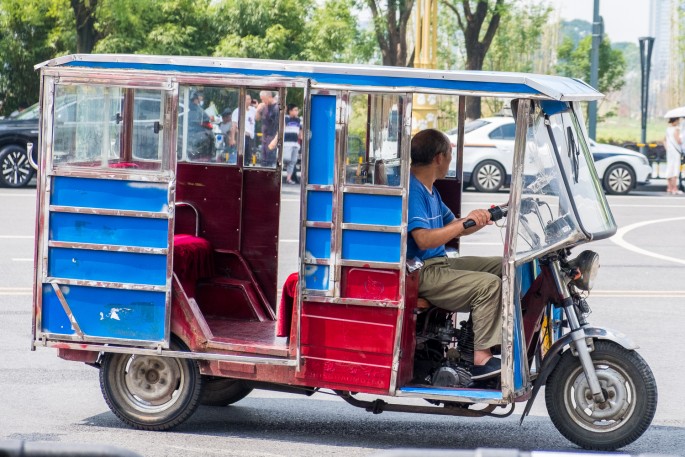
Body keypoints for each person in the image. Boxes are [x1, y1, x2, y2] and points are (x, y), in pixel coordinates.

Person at [407, 129, 503, 381]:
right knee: (489, 286)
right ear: (440, 158)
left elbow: (456, 226)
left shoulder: (431, 191)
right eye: (450, 155)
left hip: (440, 263)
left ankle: (495, 338)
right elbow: (424, 238)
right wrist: (465, 223)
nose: (450, 160)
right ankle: (481, 358)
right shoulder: (414, 189)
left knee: (505, 266)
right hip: (422, 271)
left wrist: (482, 217)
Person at [229, 94, 257, 164]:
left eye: (250, 99)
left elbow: (258, 116)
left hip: (250, 137)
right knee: (240, 156)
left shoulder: (253, 110)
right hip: (242, 136)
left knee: (248, 157)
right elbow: (234, 125)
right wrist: (232, 138)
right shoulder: (237, 111)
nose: (249, 101)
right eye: (247, 99)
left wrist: (257, 106)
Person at [256, 90, 280, 167]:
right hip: (264, 138)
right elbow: (257, 119)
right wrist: (258, 110)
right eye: (261, 99)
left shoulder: (276, 108)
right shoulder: (264, 107)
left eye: (263, 99)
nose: (262, 101)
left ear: (269, 97)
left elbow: (281, 126)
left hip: (272, 138)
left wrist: (275, 140)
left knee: (271, 162)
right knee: (263, 162)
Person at [283, 104, 302, 184]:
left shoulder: (299, 120)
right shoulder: (286, 118)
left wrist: (301, 137)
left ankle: (288, 178)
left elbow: (301, 130)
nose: (296, 112)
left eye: (297, 110)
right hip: (287, 143)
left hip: (295, 143)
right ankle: (284, 165)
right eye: (295, 110)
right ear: (290, 111)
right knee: (286, 159)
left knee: (293, 161)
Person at [664, 117, 683, 195]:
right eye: (678, 120)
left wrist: (667, 148)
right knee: (675, 169)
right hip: (676, 152)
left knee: (669, 167)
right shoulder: (676, 129)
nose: (679, 122)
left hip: (669, 152)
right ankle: (675, 188)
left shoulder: (668, 129)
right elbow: (678, 140)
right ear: (675, 121)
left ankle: (669, 188)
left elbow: (664, 140)